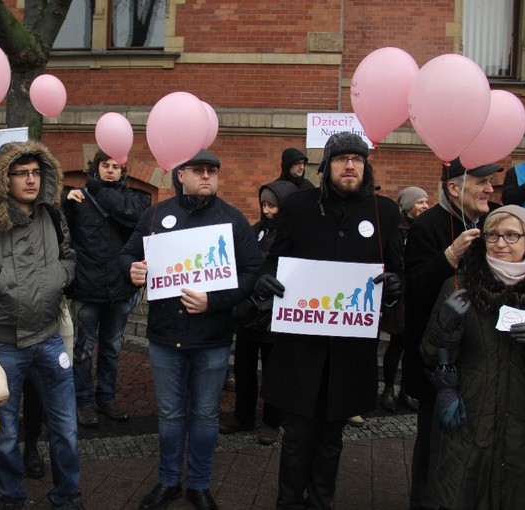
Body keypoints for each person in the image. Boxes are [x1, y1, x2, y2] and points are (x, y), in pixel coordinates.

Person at [256, 132, 403, 509]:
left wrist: (397, 284)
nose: (350, 165)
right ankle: (288, 502)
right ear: (328, 167)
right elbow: (274, 259)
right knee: (297, 437)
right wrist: (266, 278)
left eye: (357, 159)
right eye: (341, 159)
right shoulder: (299, 206)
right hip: (301, 350)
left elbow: (397, 269)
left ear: (366, 166)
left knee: (331, 439)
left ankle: (322, 501)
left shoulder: (384, 212)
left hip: (349, 352)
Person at [120, 149, 262, 510]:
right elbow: (128, 254)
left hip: (212, 337)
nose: (206, 175)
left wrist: (212, 302)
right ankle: (168, 482)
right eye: (198, 170)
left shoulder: (232, 220)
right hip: (166, 336)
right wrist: (133, 270)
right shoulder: (157, 215)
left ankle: (199, 484)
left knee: (204, 414)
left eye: (212, 170)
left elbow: (251, 273)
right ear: (180, 175)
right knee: (169, 414)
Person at [0, 140, 82, 510]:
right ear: (3, 178)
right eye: (21, 173)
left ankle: (67, 494)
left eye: (36, 173)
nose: (30, 180)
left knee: (66, 428)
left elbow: (70, 258)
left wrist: (57, 275)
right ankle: (11, 497)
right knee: (5, 433)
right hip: (1, 342)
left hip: (48, 338)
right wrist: (0, 284)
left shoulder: (54, 215)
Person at [420, 205, 525, 509]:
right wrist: (446, 321)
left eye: (511, 235)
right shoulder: (459, 285)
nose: (501, 243)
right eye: (493, 235)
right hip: (470, 425)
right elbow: (429, 353)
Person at [401, 158, 502, 510]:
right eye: (482, 182)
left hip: (485, 356)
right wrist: (449, 255)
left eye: (491, 182)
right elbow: (415, 291)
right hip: (439, 358)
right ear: (454, 188)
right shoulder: (427, 225)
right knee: (435, 441)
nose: (490, 190)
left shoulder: (496, 220)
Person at [62, 149, 148, 428]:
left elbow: (136, 218)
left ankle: (107, 398)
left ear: (123, 171)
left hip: (119, 288)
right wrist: (65, 199)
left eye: (116, 166)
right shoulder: (77, 199)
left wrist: (99, 192)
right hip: (88, 287)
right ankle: (84, 401)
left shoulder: (134, 199)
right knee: (84, 349)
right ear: (95, 167)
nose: (110, 170)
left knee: (112, 347)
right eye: (105, 165)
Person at [219, 180, 297, 446]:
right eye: (264, 205)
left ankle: (273, 421)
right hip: (249, 312)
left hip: (276, 314)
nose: (268, 211)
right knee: (243, 368)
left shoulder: (295, 236)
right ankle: (243, 415)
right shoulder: (255, 232)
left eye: (273, 205)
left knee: (275, 372)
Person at [380, 186, 429, 412]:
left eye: (426, 202)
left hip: (417, 291)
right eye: (420, 202)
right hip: (400, 294)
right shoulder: (396, 228)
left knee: (413, 345)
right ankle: (388, 389)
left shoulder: (424, 228)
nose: (425, 206)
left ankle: (406, 390)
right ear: (409, 205)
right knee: (397, 344)